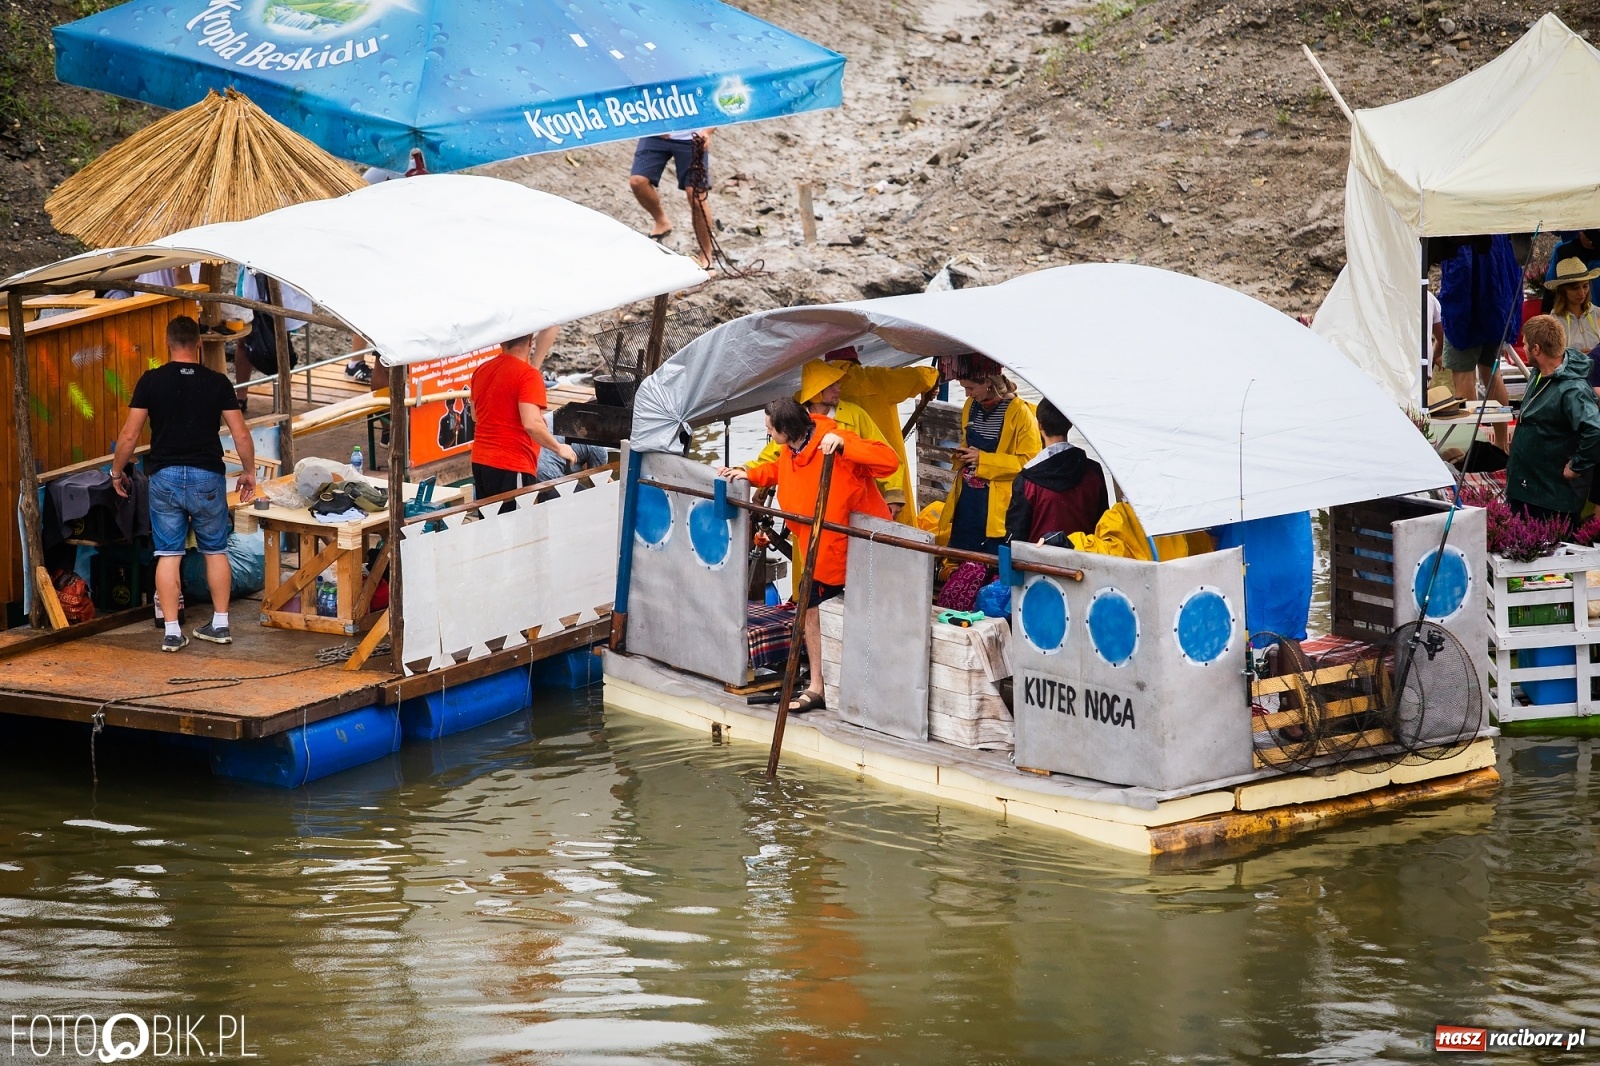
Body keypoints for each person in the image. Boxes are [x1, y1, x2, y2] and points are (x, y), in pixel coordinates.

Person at [719, 398, 898, 714]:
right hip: (819, 549)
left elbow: (888, 461)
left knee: (865, 613)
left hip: (855, 548)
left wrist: (844, 445)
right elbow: (778, 469)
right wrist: (747, 473)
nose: (768, 433)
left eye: (770, 429)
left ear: (786, 430)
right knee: (810, 606)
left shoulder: (834, 441)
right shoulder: (791, 449)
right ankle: (818, 685)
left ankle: (876, 687)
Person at [109, 316, 257, 652]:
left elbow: (130, 434)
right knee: (215, 550)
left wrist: (117, 472)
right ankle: (220, 624)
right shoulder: (218, 382)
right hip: (207, 477)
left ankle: (173, 632)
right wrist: (249, 471)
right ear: (199, 344)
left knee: (168, 553)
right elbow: (241, 434)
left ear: (167, 343)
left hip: (165, 477)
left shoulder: (151, 380)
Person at [749, 361, 902, 512]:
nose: (838, 388)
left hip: (853, 503)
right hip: (810, 507)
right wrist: (745, 473)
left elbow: (882, 454)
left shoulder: (855, 415)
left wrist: (893, 495)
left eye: (837, 383)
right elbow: (771, 460)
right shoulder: (795, 421)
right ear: (816, 392)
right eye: (830, 385)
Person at [935, 354, 1040, 554]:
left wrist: (983, 459)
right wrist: (963, 454)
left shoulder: (1020, 413)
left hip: (999, 504)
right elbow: (968, 440)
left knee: (993, 558)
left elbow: (1029, 463)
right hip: (968, 498)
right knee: (963, 552)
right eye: (964, 388)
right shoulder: (970, 406)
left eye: (970, 388)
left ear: (988, 383)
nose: (967, 394)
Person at [1505, 315, 1600, 532]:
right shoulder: (1539, 373)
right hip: (1527, 489)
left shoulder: (1573, 390)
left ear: (1536, 349)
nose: (1524, 348)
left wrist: (1577, 466)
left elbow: (1595, 430)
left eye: (1526, 345)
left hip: (1551, 499)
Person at [823, 346, 940, 520]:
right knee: (894, 523)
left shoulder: (820, 389)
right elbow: (921, 376)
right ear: (855, 360)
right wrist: (933, 379)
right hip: (886, 468)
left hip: (845, 478)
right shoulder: (875, 378)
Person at [469, 328, 575, 509]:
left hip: (480, 461)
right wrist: (559, 448)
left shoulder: (481, 370)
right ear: (530, 341)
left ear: (502, 342)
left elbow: (475, 415)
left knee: (489, 522)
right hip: (512, 463)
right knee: (517, 522)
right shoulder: (528, 375)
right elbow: (531, 423)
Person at [1439, 235, 1520, 451]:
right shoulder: (1497, 225)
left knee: (1464, 374)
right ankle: (1501, 445)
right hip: (1495, 305)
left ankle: (1472, 449)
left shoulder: (1458, 226)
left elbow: (1458, 270)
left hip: (1465, 306)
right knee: (1492, 374)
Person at [1004, 400, 1108, 545]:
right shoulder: (1094, 470)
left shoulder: (1026, 480)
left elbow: (1015, 537)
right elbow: (1103, 523)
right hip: (1085, 554)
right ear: (1070, 424)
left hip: (1040, 557)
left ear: (1039, 425)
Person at [628, 129, 714, 270]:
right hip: (655, 133)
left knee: (696, 197)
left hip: (693, 137)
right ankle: (661, 222)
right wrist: (652, 125)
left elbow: (723, 113)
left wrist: (707, 131)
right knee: (637, 181)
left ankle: (706, 255)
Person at [1546, 257, 1600, 365]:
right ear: (1563, 290)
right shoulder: (1553, 322)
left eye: (1585, 286)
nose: (1582, 293)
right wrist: (1573, 358)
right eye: (1575, 288)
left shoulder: (1597, 313)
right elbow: (1549, 359)